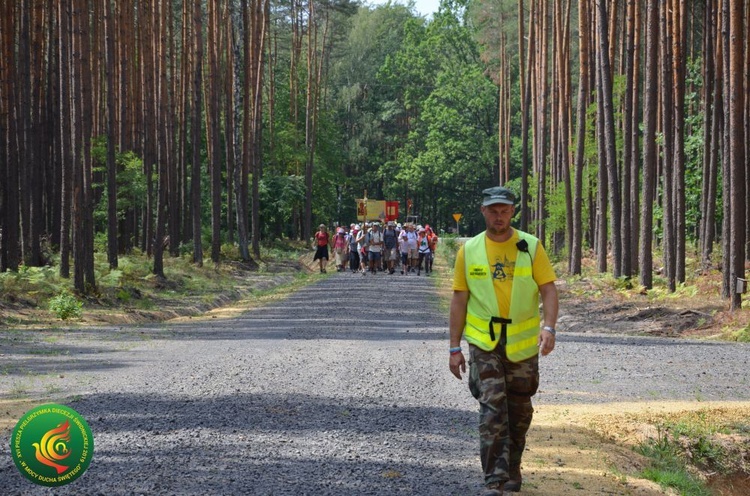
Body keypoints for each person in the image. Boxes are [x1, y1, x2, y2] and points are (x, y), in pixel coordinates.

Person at [448, 186, 559, 496]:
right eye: (493, 210)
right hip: (485, 342)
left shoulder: (531, 246)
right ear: (483, 211)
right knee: (492, 405)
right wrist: (454, 347)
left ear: (513, 211)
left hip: (522, 345)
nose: (499, 216)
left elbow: (549, 289)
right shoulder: (469, 250)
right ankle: (495, 477)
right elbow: (459, 298)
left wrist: (549, 328)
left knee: (519, 410)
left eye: (504, 210)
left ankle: (512, 467)